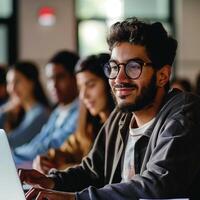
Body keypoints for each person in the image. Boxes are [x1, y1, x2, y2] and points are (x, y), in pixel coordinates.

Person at [19, 17, 200, 200]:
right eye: (114, 67)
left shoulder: (184, 115)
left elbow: (157, 186)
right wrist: (51, 182)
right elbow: (91, 171)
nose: (119, 79)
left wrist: (75, 198)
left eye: (133, 67)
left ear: (162, 75)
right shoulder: (121, 116)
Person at [32, 53, 115, 174]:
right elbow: (68, 149)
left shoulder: (123, 126)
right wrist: (46, 159)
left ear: (110, 84)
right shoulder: (89, 126)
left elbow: (99, 172)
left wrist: (60, 169)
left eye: (91, 85)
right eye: (80, 88)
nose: (83, 96)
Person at [13, 50, 80, 167]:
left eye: (60, 77)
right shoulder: (58, 111)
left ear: (75, 78)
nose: (53, 85)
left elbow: (49, 145)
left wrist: (13, 154)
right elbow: (38, 141)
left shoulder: (81, 112)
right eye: (50, 79)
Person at [0, 61, 50, 148]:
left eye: (17, 82)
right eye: (9, 83)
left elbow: (9, 142)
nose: (12, 88)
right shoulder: (21, 112)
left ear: (31, 82)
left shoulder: (40, 114)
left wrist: (3, 112)